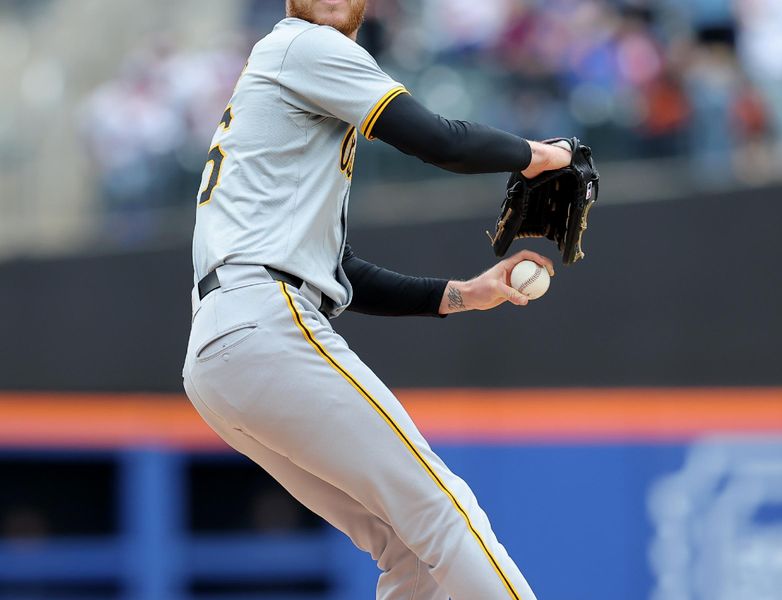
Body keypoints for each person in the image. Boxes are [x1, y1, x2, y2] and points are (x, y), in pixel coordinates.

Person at [183, 1, 572, 598]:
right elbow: (440, 140)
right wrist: (540, 154)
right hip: (263, 321)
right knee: (443, 510)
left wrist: (463, 295)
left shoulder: (287, 71)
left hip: (224, 348)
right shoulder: (308, 45)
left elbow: (336, 269)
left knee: (407, 550)